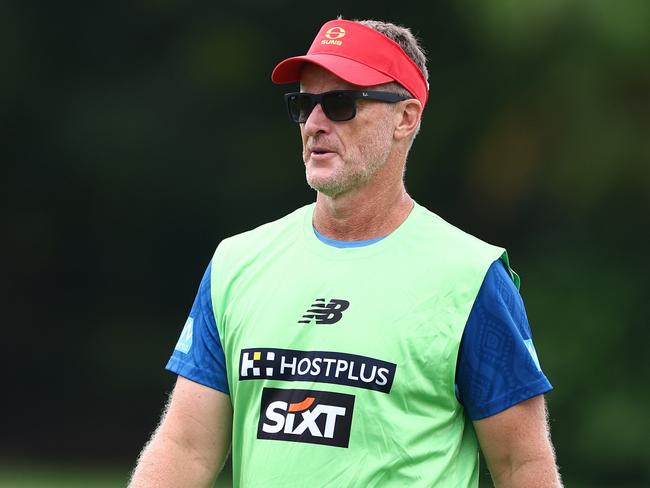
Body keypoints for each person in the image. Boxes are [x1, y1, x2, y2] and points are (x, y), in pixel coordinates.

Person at [129, 18, 562, 488]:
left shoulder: (469, 277)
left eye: (340, 104)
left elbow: (523, 466)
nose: (315, 123)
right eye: (304, 104)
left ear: (406, 117)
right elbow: (185, 448)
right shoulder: (238, 263)